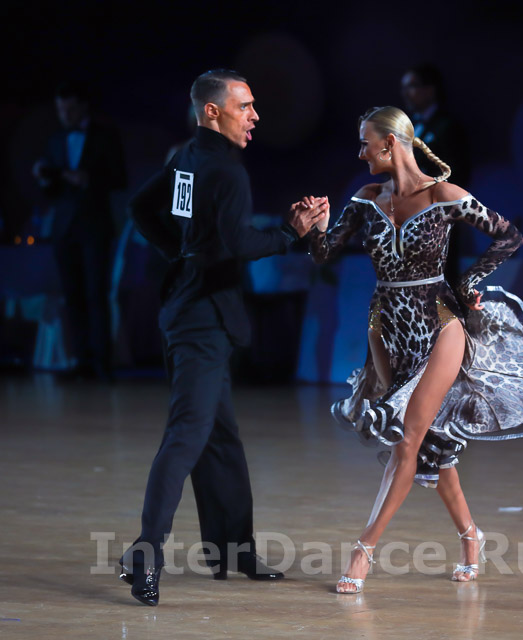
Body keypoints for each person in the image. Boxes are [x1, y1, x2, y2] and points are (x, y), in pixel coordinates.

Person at [305, 106, 523, 594]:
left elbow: (509, 236)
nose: (360, 153)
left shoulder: (444, 196)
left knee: (407, 439)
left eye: (365, 143)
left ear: (389, 143)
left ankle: (363, 550)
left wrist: (467, 283)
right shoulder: (366, 199)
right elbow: (323, 253)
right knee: (429, 446)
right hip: (387, 331)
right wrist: (312, 229)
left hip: (440, 325)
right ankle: (471, 537)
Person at [118, 69, 327, 606]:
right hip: (203, 320)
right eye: (244, 106)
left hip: (187, 308)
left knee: (219, 436)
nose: (255, 116)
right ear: (212, 111)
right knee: (188, 434)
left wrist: (183, 253)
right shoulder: (227, 171)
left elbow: (144, 209)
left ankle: (233, 549)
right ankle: (145, 552)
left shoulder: (186, 158)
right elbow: (239, 243)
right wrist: (291, 232)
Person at [33, 81, 127, 380]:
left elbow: (120, 178)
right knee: (72, 295)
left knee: (96, 294)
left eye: (70, 109)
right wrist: (45, 178)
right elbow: (53, 190)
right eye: (61, 110)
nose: (65, 115)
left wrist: (88, 179)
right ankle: (81, 360)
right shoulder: (56, 139)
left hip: (94, 225)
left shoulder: (105, 136)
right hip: (64, 228)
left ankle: (102, 362)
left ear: (84, 106)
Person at [401, 64, 471, 285]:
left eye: (412, 86)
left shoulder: (447, 127)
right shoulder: (408, 127)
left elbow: (456, 173)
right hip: (408, 219)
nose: (406, 93)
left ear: (430, 90)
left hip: (437, 218)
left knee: (439, 281)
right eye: (404, 87)